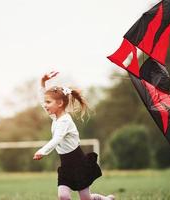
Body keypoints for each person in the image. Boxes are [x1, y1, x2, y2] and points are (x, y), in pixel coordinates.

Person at [33, 71, 115, 200]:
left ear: (59, 104)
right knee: (63, 196)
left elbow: (57, 139)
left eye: (48, 102)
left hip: (79, 163)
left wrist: (43, 151)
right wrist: (42, 82)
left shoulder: (65, 121)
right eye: (46, 102)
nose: (45, 105)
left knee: (85, 198)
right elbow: (41, 101)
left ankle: (103, 199)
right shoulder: (55, 117)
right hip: (65, 165)